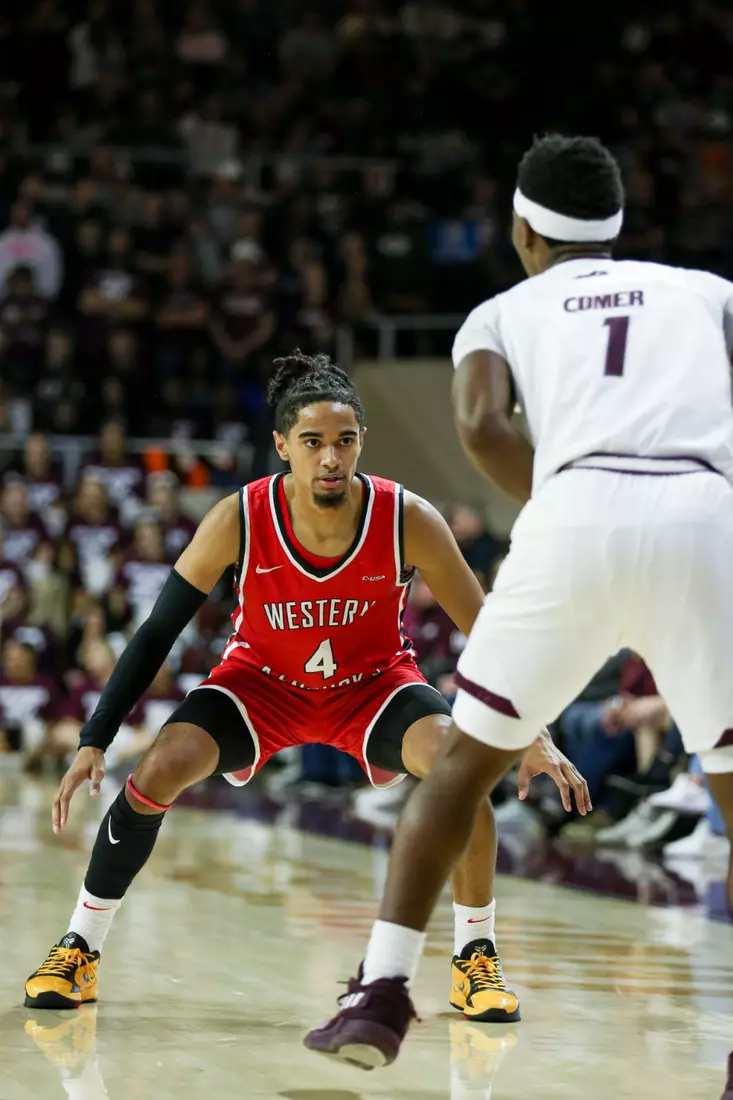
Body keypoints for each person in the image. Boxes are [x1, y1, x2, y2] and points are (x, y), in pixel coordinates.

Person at [304, 133, 733, 1072]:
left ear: (521, 230)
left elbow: (476, 424)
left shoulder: (503, 307)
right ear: (616, 224)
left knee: (459, 769)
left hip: (574, 506)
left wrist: (571, 503)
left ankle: (380, 995)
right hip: (704, 511)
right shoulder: (705, 292)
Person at [24, 350, 589, 1012]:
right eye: (313, 442)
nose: (330, 458)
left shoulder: (407, 517)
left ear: (361, 444)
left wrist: (533, 733)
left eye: (344, 442)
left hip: (373, 687)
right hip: (260, 685)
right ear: (282, 446)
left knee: (456, 768)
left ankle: (476, 960)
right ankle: (80, 948)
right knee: (160, 766)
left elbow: (488, 634)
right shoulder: (239, 516)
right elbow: (155, 633)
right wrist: (96, 736)